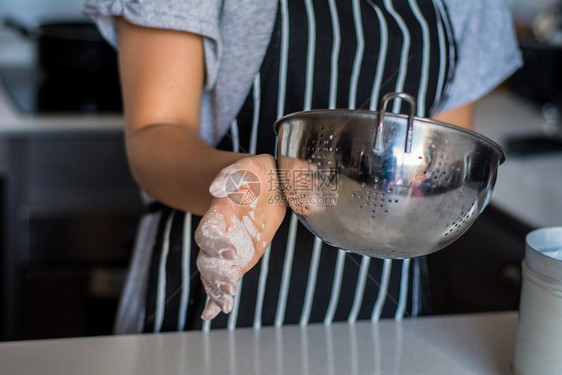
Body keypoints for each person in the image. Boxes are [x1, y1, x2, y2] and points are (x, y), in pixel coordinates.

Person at [83, 0, 522, 333]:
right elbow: (156, 132)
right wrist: (252, 182)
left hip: (385, 320)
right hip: (203, 310)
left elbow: (435, 172)